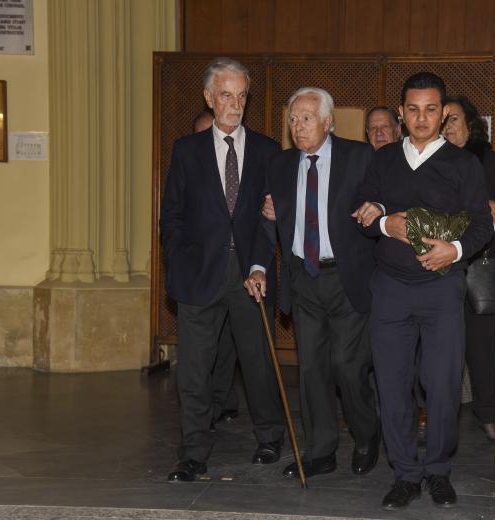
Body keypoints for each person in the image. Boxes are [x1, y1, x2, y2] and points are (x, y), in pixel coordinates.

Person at [353, 72, 493, 510]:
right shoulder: (384, 160)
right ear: (401, 113)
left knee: (443, 384)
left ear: (443, 113)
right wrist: (380, 221)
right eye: (412, 109)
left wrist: (453, 250)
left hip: (441, 290)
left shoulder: (463, 164)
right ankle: (405, 475)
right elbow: (364, 206)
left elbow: (481, 224)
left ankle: (437, 471)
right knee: (393, 386)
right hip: (391, 290)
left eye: (431, 109)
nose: (421, 117)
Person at [160, 57, 286, 482]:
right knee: (195, 369)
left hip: (250, 275)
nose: (235, 104)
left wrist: (261, 259)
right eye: (227, 95)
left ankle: (270, 437)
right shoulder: (186, 150)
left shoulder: (269, 151)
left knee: (258, 362)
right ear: (209, 98)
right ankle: (193, 451)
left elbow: (272, 217)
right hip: (199, 275)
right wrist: (179, 261)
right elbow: (172, 217)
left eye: (242, 95)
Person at [245, 87, 380, 480]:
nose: (298, 126)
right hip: (303, 277)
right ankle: (320, 450)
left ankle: (367, 435)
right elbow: (270, 222)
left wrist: (379, 211)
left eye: (306, 118)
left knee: (347, 364)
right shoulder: (281, 165)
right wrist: (258, 267)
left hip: (346, 277)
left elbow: (379, 203)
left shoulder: (359, 157)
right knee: (312, 369)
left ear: (327, 121)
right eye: (292, 119)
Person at [443, 96, 495, 441]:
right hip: (440, 266)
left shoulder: (488, 162)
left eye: (454, 120)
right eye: (444, 121)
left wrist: (459, 205)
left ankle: (489, 412)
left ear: (470, 125)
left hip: (479, 267)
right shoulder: (438, 161)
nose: (447, 127)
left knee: (482, 348)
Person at [190, 106, 240, 432]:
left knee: (229, 345)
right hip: (200, 270)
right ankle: (201, 412)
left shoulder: (238, 164)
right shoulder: (188, 165)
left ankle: (222, 402)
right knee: (201, 351)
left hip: (236, 268)